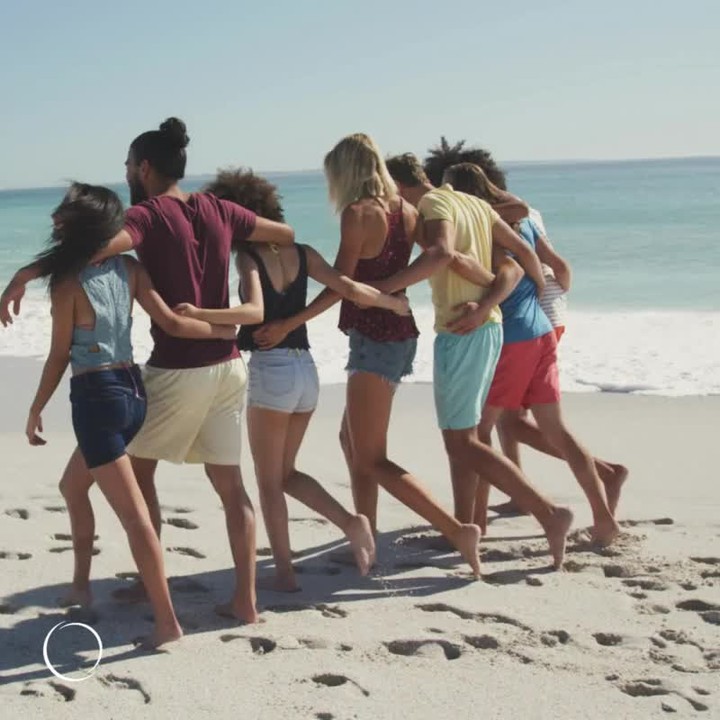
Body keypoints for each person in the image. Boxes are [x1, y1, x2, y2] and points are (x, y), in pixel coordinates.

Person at [1, 118, 295, 623]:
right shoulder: (219, 209)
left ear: (143, 168)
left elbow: (91, 250)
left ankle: (150, 587)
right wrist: (239, 252)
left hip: (177, 369)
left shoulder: (147, 215)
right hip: (228, 365)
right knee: (232, 488)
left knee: (136, 475)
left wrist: (26, 273)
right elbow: (285, 234)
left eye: (127, 166)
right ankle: (245, 601)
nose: (126, 174)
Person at [251, 135, 484, 576]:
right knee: (352, 441)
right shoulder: (406, 210)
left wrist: (289, 322)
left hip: (376, 338)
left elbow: (341, 284)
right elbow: (438, 258)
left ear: (345, 173)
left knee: (371, 457)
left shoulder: (358, 214)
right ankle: (368, 537)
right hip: (398, 334)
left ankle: (457, 530)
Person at [176, 169, 411, 591]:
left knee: (269, 484)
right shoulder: (302, 253)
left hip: (272, 371)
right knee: (286, 475)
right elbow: (348, 288)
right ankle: (351, 522)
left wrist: (198, 314)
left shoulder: (249, 259)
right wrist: (392, 304)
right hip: (307, 371)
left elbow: (253, 310)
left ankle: (286, 572)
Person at [25, 183, 236, 647]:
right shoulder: (131, 268)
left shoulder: (68, 282)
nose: (55, 220)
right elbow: (173, 323)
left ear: (77, 226)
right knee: (72, 486)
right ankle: (81, 586)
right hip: (133, 393)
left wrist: (36, 407)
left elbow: (59, 355)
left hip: (96, 399)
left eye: (63, 214)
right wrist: (223, 331)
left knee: (135, 517)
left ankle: (167, 623)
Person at [380, 152, 574, 568]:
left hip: (462, 332)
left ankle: (548, 513)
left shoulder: (434, 204)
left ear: (397, 187)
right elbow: (520, 261)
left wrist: (383, 288)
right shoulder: (473, 204)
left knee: (462, 442)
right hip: (488, 328)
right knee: (464, 439)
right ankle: (466, 525)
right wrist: (497, 301)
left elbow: (441, 254)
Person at [442, 162, 624, 543]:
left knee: (478, 433)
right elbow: (543, 267)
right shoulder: (521, 222)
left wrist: (485, 305)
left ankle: (477, 523)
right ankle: (604, 519)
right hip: (541, 329)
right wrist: (540, 291)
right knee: (555, 429)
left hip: (513, 337)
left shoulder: (488, 228)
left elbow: (508, 270)